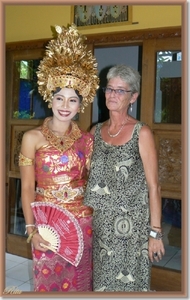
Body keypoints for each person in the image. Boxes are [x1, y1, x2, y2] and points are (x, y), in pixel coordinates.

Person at [18, 24, 99, 292]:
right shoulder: (32, 138)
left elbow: (93, 184)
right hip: (47, 225)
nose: (65, 106)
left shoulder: (87, 139)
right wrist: (31, 229)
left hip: (82, 223)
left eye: (73, 100)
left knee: (80, 284)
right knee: (48, 283)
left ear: (81, 104)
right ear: (49, 98)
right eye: (59, 98)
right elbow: (28, 186)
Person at [84, 64, 165, 292]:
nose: (112, 95)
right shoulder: (95, 131)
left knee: (131, 288)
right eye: (110, 89)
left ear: (133, 97)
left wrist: (155, 233)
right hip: (101, 227)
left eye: (121, 90)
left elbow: (154, 186)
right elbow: (86, 175)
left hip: (133, 230)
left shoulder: (142, 132)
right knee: (102, 284)